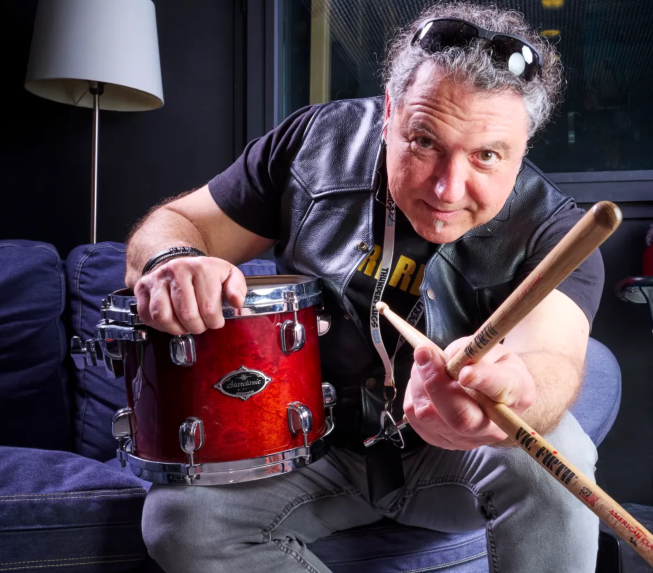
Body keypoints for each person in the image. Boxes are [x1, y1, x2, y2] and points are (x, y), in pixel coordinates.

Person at [127, 3, 605, 571]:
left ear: (523, 145)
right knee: (180, 520)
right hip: (311, 447)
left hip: (456, 457)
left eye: (486, 156)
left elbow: (554, 360)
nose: (449, 188)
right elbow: (179, 223)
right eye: (424, 142)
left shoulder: (557, 229)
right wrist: (173, 260)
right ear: (389, 113)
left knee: (558, 458)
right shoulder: (312, 144)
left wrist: (516, 393)